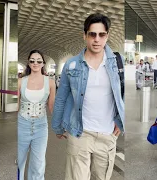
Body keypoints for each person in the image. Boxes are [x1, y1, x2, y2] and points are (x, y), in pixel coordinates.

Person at [51, 13, 124, 180]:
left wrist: (121, 120)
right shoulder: (72, 64)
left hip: (107, 134)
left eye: (101, 34)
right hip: (79, 133)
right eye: (92, 34)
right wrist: (57, 126)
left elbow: (123, 94)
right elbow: (61, 97)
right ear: (85, 36)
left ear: (107, 36)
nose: (96, 39)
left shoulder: (117, 63)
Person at [17, 50, 55, 180]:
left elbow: (51, 106)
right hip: (23, 124)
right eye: (32, 60)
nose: (35, 63)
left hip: (41, 126)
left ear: (43, 63)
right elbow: (15, 105)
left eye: (39, 61)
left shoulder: (50, 82)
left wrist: (60, 124)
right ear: (28, 63)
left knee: (38, 163)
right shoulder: (21, 81)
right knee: (20, 160)